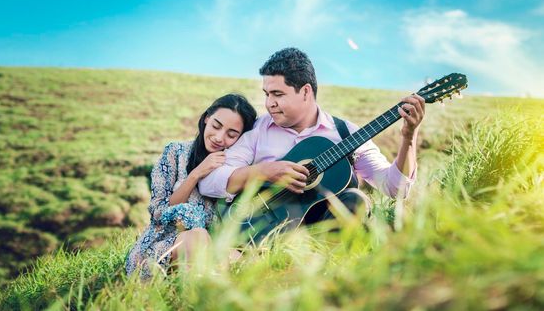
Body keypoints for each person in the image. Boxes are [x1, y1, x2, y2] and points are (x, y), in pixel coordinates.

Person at [199, 48, 425, 225]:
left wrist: (409, 136)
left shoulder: (346, 134)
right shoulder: (258, 130)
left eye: (278, 94)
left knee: (355, 201)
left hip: (323, 232)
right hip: (266, 229)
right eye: (267, 94)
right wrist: (263, 172)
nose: (269, 103)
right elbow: (209, 182)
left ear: (305, 91)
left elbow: (397, 189)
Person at [125, 94, 257, 278]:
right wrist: (196, 174)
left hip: (212, 249)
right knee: (197, 238)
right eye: (216, 126)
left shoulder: (236, 171)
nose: (219, 137)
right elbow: (158, 211)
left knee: (247, 261)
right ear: (206, 119)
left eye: (231, 134)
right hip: (163, 244)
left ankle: (197, 285)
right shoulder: (175, 152)